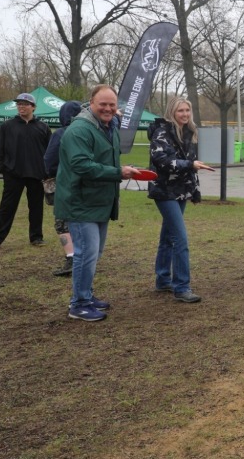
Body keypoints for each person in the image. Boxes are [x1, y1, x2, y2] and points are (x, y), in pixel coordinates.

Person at [55, 85, 141, 322]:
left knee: (94, 253)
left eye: (112, 104)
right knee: (85, 253)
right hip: (80, 202)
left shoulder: (109, 127)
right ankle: (79, 304)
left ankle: (86, 295)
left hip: (99, 202)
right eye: (103, 103)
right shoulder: (80, 130)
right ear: (91, 102)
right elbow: (81, 165)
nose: (108, 108)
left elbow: (105, 158)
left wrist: (121, 170)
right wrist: (117, 172)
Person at [147, 97, 214, 304]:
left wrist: (194, 190)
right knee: (180, 239)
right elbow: (163, 161)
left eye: (187, 110)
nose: (184, 114)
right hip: (164, 191)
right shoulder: (161, 132)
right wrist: (190, 164)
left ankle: (162, 279)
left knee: (168, 236)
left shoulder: (190, 132)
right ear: (171, 112)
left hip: (181, 191)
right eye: (180, 111)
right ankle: (181, 287)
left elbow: (191, 165)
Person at [0, 93, 51, 251]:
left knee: (36, 207)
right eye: (19, 104)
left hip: (36, 175)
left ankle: (36, 237)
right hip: (14, 175)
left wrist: (46, 171)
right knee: (7, 207)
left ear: (33, 107)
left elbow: (50, 151)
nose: (21, 106)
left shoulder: (43, 127)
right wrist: (3, 169)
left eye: (25, 104)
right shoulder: (8, 126)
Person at [43, 100, 83, 276]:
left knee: (62, 222)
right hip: (86, 184)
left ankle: (72, 258)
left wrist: (50, 174)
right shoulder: (88, 131)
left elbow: (49, 160)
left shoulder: (61, 133)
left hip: (64, 183)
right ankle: (84, 256)